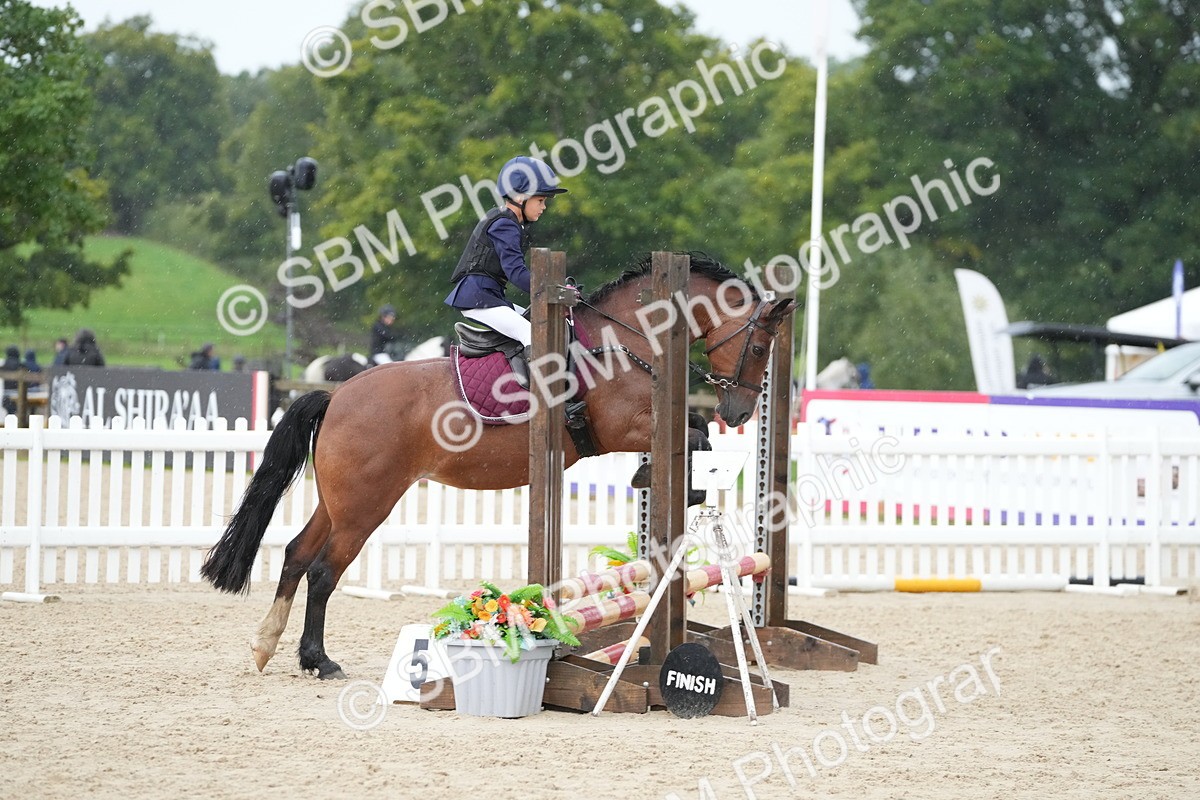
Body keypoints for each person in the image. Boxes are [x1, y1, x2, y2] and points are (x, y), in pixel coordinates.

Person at [444, 156, 568, 385]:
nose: (544, 206)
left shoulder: (509, 221)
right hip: (478, 297)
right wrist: (552, 290)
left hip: (488, 296)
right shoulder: (505, 224)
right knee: (533, 334)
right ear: (520, 196)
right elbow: (517, 274)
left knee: (537, 321)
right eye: (540, 200)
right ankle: (545, 395)